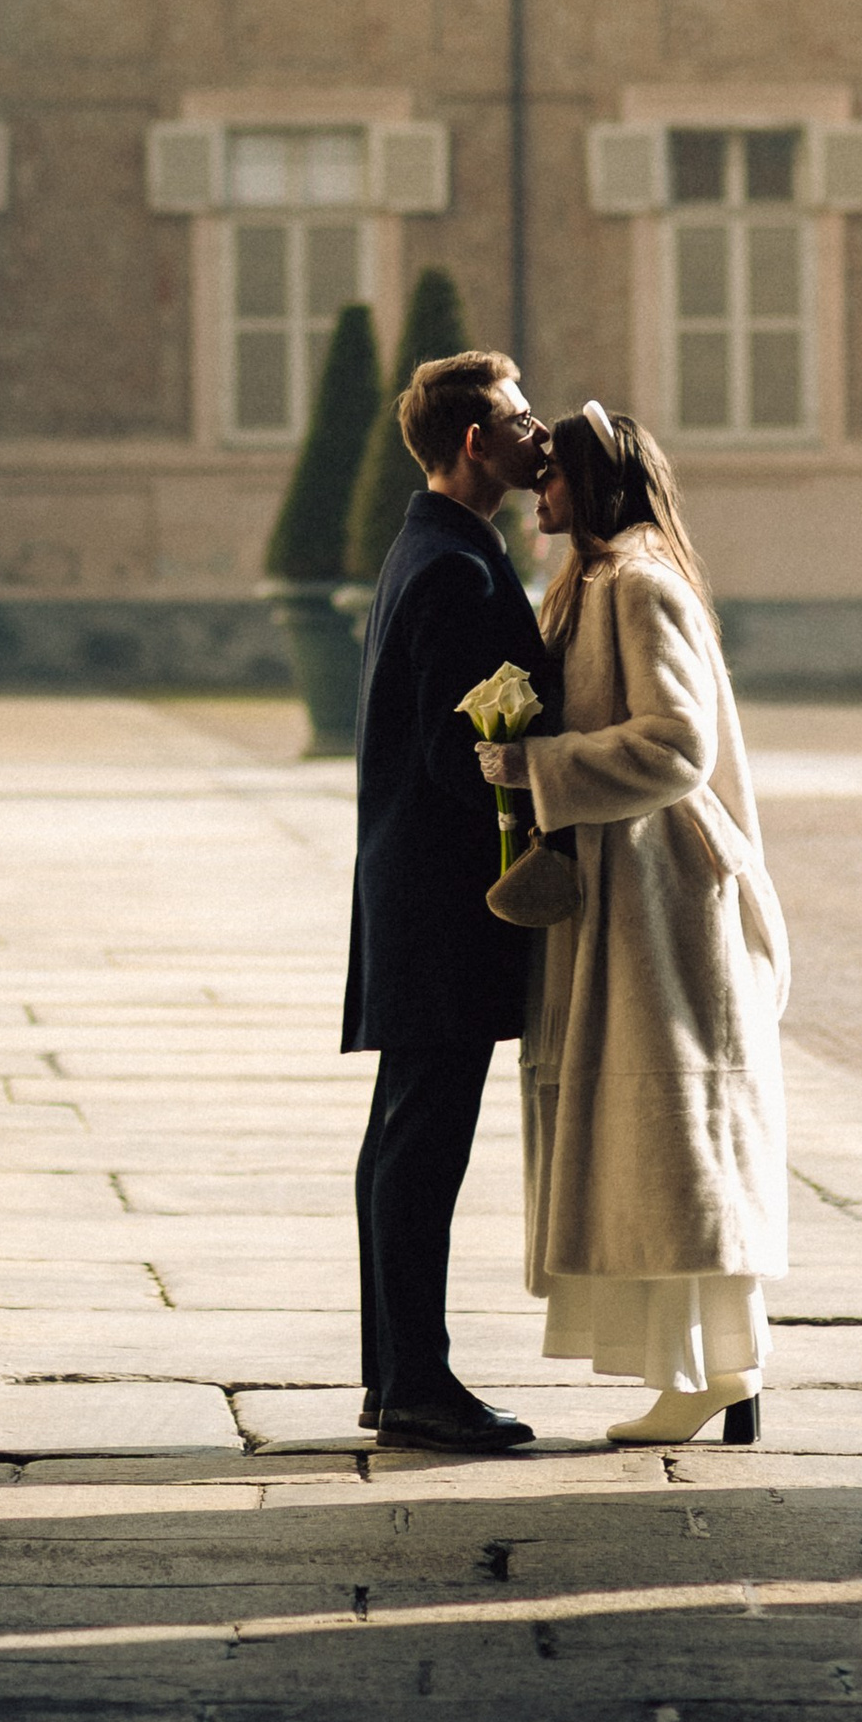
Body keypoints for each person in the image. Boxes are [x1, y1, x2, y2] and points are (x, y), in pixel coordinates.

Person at [475, 401, 791, 1447]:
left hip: (662, 908)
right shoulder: (599, 583)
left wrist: (537, 765)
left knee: (676, 1143)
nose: (539, 493)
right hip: (627, 904)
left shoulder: (638, 584)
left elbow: (675, 745)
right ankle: (714, 1372)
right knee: (657, 1142)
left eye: (553, 477)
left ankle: (715, 1373)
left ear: (593, 483)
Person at [341, 346, 552, 1451]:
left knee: (399, 1136)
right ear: (476, 442)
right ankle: (417, 1382)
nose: (536, 434)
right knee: (424, 1141)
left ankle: (393, 1376)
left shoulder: (426, 548)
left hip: (408, 886)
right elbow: (454, 751)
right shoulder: (458, 572)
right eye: (520, 419)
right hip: (444, 899)